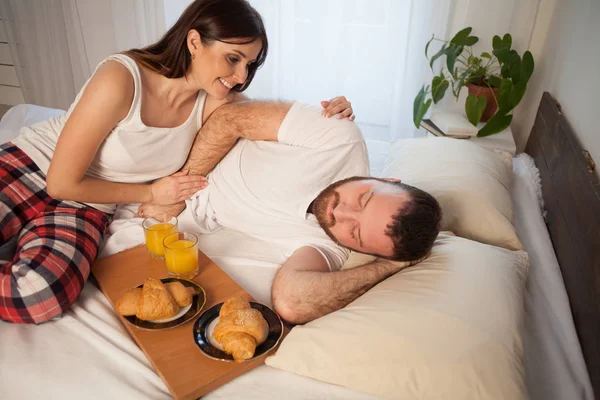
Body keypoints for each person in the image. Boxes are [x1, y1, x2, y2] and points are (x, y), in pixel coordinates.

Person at [0, 0, 354, 324]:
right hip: (34, 165)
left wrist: (326, 116)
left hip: (91, 206)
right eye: (233, 58)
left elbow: (266, 117)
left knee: (37, 297)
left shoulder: (216, 103)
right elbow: (60, 183)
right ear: (195, 41)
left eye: (249, 65)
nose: (241, 76)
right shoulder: (122, 78)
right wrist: (152, 193)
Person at [138, 100, 442, 325]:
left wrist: (386, 267)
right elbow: (229, 119)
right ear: (387, 180)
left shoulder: (330, 246)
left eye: (355, 232)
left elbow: (291, 302)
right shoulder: (340, 139)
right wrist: (177, 192)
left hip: (174, 214)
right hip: (185, 152)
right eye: (363, 198)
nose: (341, 212)